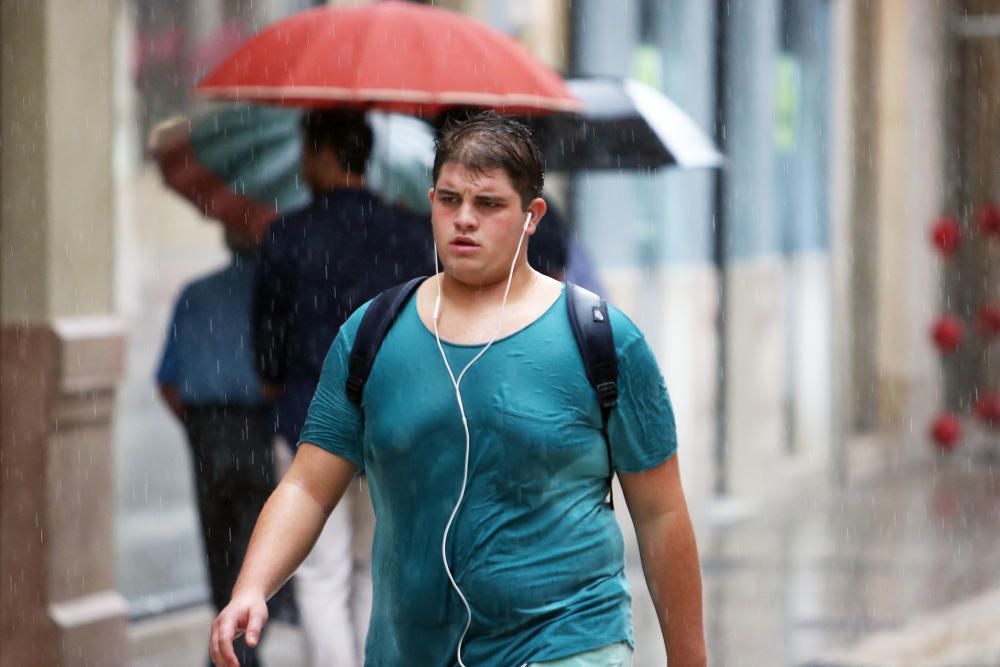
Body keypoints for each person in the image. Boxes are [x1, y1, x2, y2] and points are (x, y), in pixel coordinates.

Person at [215, 112, 706, 667]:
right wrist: (252, 585)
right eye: (449, 200)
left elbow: (661, 512)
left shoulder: (601, 340)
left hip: (568, 641)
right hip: (412, 648)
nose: (464, 220)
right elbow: (308, 487)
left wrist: (689, 658)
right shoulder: (371, 335)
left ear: (531, 216)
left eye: (489, 204)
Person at [252, 108, 433, 666]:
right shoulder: (409, 232)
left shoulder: (288, 234)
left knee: (320, 573)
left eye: (307, 149)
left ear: (325, 153)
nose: (303, 162)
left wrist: (277, 383)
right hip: (395, 422)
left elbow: (267, 343)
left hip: (311, 418)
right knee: (373, 569)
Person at [157, 226, 278, 667]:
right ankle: (240, 646)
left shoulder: (195, 293)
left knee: (219, 537)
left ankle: (228, 642)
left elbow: (167, 382)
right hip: (256, 425)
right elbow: (279, 371)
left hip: (206, 428)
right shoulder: (270, 293)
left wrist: (199, 428)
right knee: (257, 542)